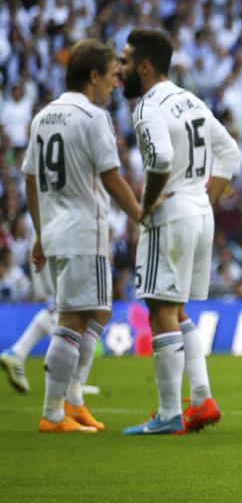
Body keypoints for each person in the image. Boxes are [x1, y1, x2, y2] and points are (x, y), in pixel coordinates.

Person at [119, 29, 241, 435]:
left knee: (160, 311)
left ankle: (169, 413)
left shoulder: (148, 106)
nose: (119, 71)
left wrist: (148, 203)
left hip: (171, 212)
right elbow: (230, 153)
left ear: (145, 66)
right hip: (199, 211)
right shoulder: (190, 99)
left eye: (124, 62)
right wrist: (208, 196)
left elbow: (160, 159)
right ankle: (202, 398)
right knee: (177, 310)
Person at [22, 39, 142, 432]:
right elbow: (110, 177)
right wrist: (140, 216)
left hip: (58, 228)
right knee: (72, 319)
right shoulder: (93, 116)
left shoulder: (43, 117)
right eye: (112, 76)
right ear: (93, 76)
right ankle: (53, 413)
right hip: (83, 230)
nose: (115, 83)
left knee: (99, 311)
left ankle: (73, 400)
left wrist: (40, 232)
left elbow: (30, 179)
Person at [1, 263, 102, 397]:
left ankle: (17, 353)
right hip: (60, 253)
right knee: (66, 312)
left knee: (57, 310)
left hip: (50, 252)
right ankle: (72, 384)